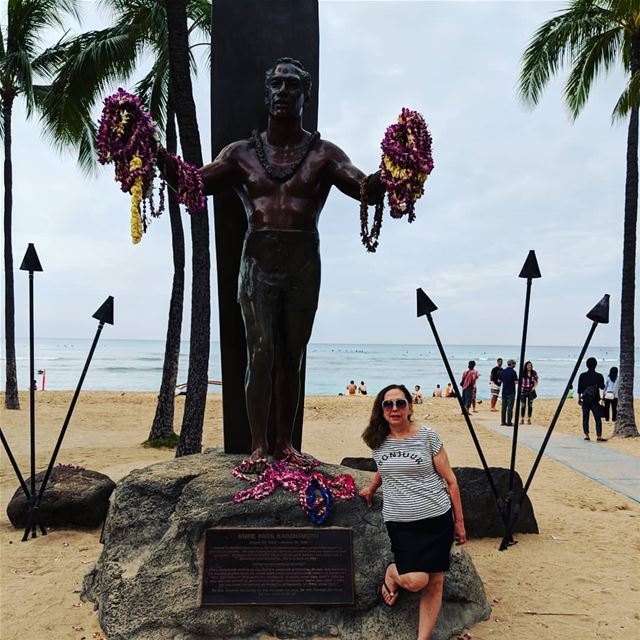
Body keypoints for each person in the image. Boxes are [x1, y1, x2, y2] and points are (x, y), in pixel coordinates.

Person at [164, 58, 386, 463]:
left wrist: (396, 168)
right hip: (258, 262)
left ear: (305, 95)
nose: (284, 92)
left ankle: (285, 443)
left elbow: (364, 187)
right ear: (267, 95)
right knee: (262, 352)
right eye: (277, 85)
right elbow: (193, 183)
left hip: (303, 261)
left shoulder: (323, 154)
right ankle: (258, 446)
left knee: (291, 356)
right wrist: (154, 155)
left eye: (292, 86)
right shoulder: (241, 154)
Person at [359, 384, 466, 639]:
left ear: (410, 406)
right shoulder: (377, 441)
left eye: (400, 403)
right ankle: (393, 573)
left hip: (437, 519)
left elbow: (450, 480)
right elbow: (386, 467)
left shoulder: (428, 436)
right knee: (417, 580)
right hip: (401, 522)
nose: (394, 408)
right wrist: (372, 487)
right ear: (381, 409)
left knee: (436, 581)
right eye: (388, 404)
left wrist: (459, 522)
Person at [577, 357, 606, 441]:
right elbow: (602, 387)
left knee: (585, 417)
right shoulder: (599, 376)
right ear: (596, 365)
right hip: (595, 400)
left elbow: (580, 388)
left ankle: (587, 435)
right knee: (597, 418)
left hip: (585, 400)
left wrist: (579, 398)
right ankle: (599, 436)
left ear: (587, 365)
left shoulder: (582, 375)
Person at [500, 359, 518, 426]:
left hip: (504, 391)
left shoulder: (503, 371)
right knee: (510, 407)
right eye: (514, 363)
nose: (515, 365)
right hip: (511, 391)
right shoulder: (513, 372)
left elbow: (499, 380)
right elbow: (515, 381)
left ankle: (503, 421)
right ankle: (509, 422)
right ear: (511, 364)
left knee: (504, 407)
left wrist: (505, 381)